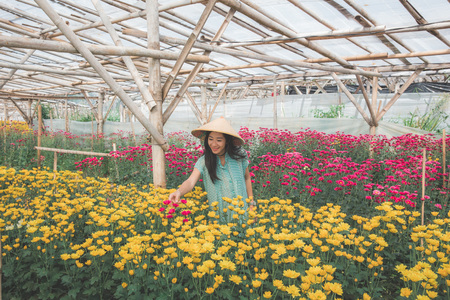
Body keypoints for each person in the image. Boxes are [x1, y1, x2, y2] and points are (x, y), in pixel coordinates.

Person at [168, 117, 254, 224]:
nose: (213, 144)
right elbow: (190, 182)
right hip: (219, 220)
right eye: (210, 139)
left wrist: (251, 205)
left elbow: (247, 178)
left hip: (243, 215)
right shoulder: (204, 161)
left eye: (219, 140)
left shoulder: (239, 156)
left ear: (227, 141)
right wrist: (178, 192)